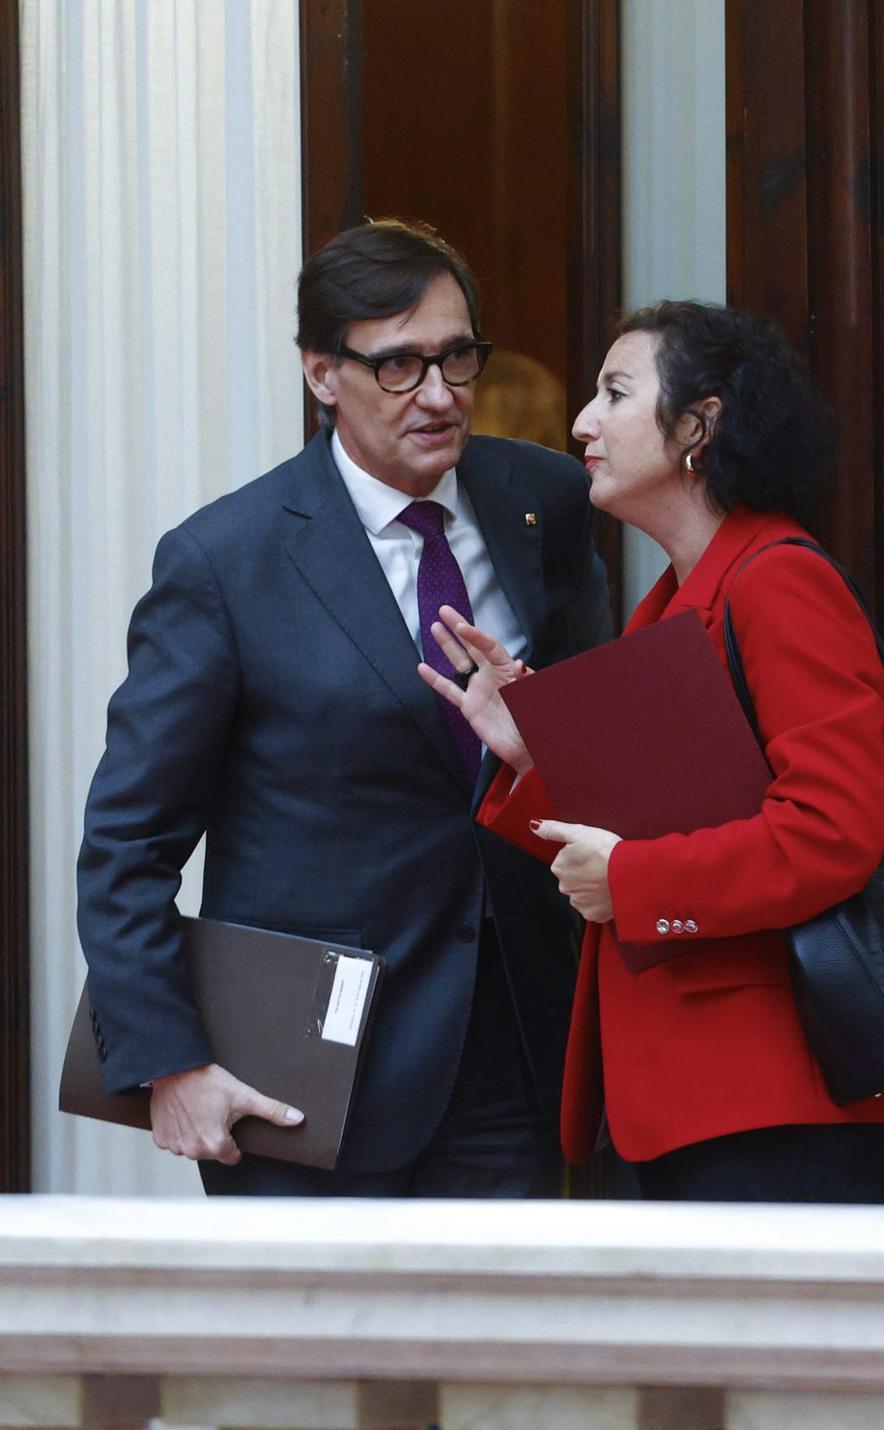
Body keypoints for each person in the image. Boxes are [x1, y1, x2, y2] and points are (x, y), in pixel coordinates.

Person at [76, 219, 611, 1197]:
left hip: (511, 1049)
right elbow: (127, 840)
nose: (441, 395)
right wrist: (169, 1059)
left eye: (457, 357)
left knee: (500, 1350)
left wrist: (546, 743)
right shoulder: (225, 560)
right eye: (399, 366)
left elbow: (601, 754)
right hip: (300, 1075)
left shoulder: (545, 502)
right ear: (324, 373)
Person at [419, 300, 884, 1203]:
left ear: (696, 427)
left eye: (614, 393)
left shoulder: (780, 579)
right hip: (706, 1094)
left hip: (782, 1098)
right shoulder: (679, 596)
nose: (583, 423)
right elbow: (683, 813)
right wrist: (531, 756)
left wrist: (630, 882)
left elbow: (833, 830)